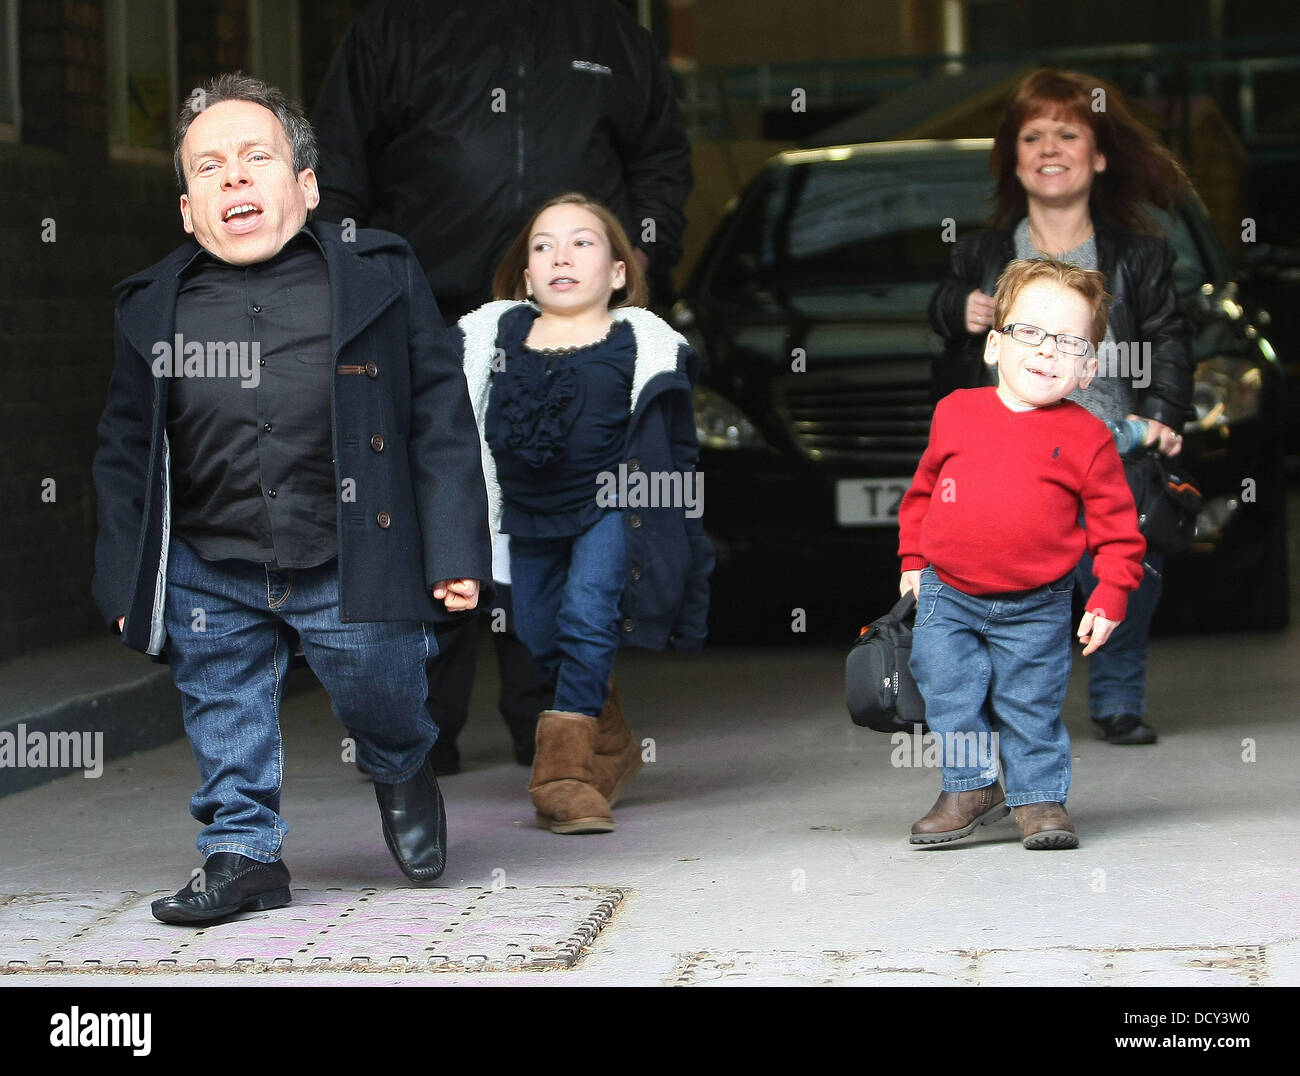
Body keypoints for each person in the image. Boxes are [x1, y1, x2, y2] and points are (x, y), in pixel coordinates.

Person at [91, 73, 491, 924]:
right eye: (208, 168)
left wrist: (456, 551)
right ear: (188, 211)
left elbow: (440, 420)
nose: (233, 177)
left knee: (382, 689)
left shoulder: (377, 275)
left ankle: (401, 762)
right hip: (210, 558)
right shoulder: (150, 308)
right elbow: (125, 451)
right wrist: (126, 578)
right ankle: (242, 854)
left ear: (305, 188)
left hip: (352, 553)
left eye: (255, 157)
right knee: (223, 705)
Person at [311, 0, 693, 774]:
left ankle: (549, 720)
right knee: (427, 509)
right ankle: (418, 727)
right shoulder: (395, 27)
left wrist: (638, 258)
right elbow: (338, 172)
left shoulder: (607, 30)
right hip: (428, 313)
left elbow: (661, 160)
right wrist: (353, 286)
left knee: (551, 505)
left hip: (567, 325)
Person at [929, 68, 1194, 746]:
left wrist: (1163, 415)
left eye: (1068, 133)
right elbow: (943, 339)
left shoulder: (1140, 255)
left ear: (1099, 155)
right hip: (1008, 447)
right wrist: (956, 310)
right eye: (1033, 135)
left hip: (1111, 442)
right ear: (1014, 159)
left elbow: (1169, 338)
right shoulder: (983, 253)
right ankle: (999, 704)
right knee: (992, 582)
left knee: (1126, 574)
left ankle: (1116, 700)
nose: (1050, 147)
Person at [458, 192, 712, 834]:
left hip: (610, 505)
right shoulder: (496, 333)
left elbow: (669, 445)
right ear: (525, 274)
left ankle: (564, 776)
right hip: (523, 513)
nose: (560, 256)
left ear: (619, 273)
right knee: (539, 632)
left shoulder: (638, 341)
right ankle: (614, 740)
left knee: (587, 614)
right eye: (543, 246)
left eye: (582, 243)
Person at [901, 258, 1146, 850]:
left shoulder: (1088, 438)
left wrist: (1110, 594)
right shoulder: (956, 412)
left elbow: (1118, 529)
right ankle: (970, 787)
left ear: (1088, 369)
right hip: (947, 593)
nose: (1047, 350)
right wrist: (913, 562)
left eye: (1068, 341)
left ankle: (1038, 800)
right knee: (948, 692)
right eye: (1030, 332)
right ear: (994, 346)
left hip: (1038, 603)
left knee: (1029, 704)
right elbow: (922, 494)